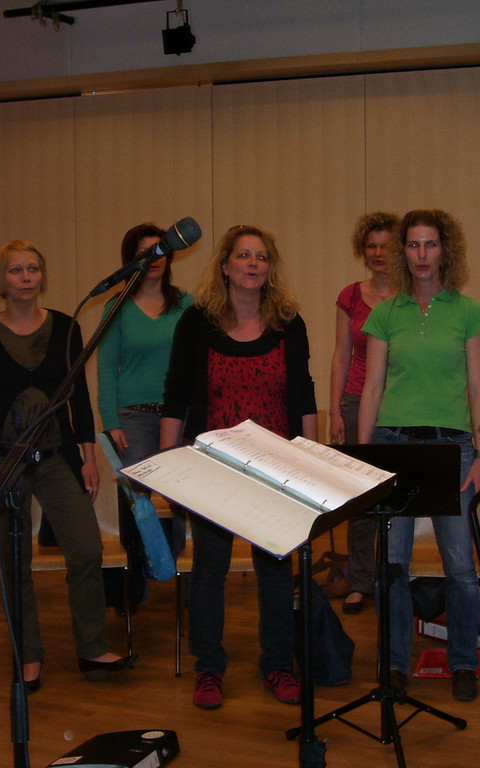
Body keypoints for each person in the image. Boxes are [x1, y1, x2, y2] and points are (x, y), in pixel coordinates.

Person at [0, 239, 138, 693]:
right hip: (2, 465)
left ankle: (92, 647)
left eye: (33, 269)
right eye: (15, 270)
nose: (25, 277)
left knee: (87, 549)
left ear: (42, 276)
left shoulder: (65, 328)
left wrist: (89, 458)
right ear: (1, 280)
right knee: (14, 564)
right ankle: (28, 655)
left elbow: (78, 396)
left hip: (57, 458)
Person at [160, 224, 317, 711]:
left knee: (276, 570)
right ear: (225, 265)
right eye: (243, 255)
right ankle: (209, 669)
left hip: (276, 467)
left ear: (270, 267)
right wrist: (165, 466)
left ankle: (278, 664)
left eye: (261, 256)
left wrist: (312, 462)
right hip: (213, 466)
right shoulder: (197, 322)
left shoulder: (288, 322)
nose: (253, 264)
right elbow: (176, 395)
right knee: (210, 570)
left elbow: (303, 394)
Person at [358, 209, 480, 703]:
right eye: (413, 245)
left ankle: (462, 663)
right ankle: (394, 664)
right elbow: (372, 388)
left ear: (445, 250)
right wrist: (362, 456)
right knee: (392, 566)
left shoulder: (470, 312)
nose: (421, 255)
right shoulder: (384, 314)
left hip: (451, 448)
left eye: (430, 244)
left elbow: (478, 390)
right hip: (393, 444)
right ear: (402, 251)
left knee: (460, 566)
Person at [97, 222, 194, 610]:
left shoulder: (186, 304)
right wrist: (111, 421)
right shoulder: (116, 307)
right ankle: (136, 582)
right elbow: (106, 369)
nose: (154, 258)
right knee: (136, 502)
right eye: (145, 252)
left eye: (160, 250)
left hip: (178, 416)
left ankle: (183, 578)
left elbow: (197, 365)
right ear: (131, 259)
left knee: (184, 498)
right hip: (132, 417)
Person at [329, 211, 398, 615]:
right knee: (361, 499)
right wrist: (336, 411)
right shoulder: (351, 295)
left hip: (399, 406)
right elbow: (341, 355)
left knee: (399, 497)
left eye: (385, 246)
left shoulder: (411, 296)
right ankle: (359, 581)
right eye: (371, 246)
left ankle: (396, 578)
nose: (377, 253)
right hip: (357, 402)